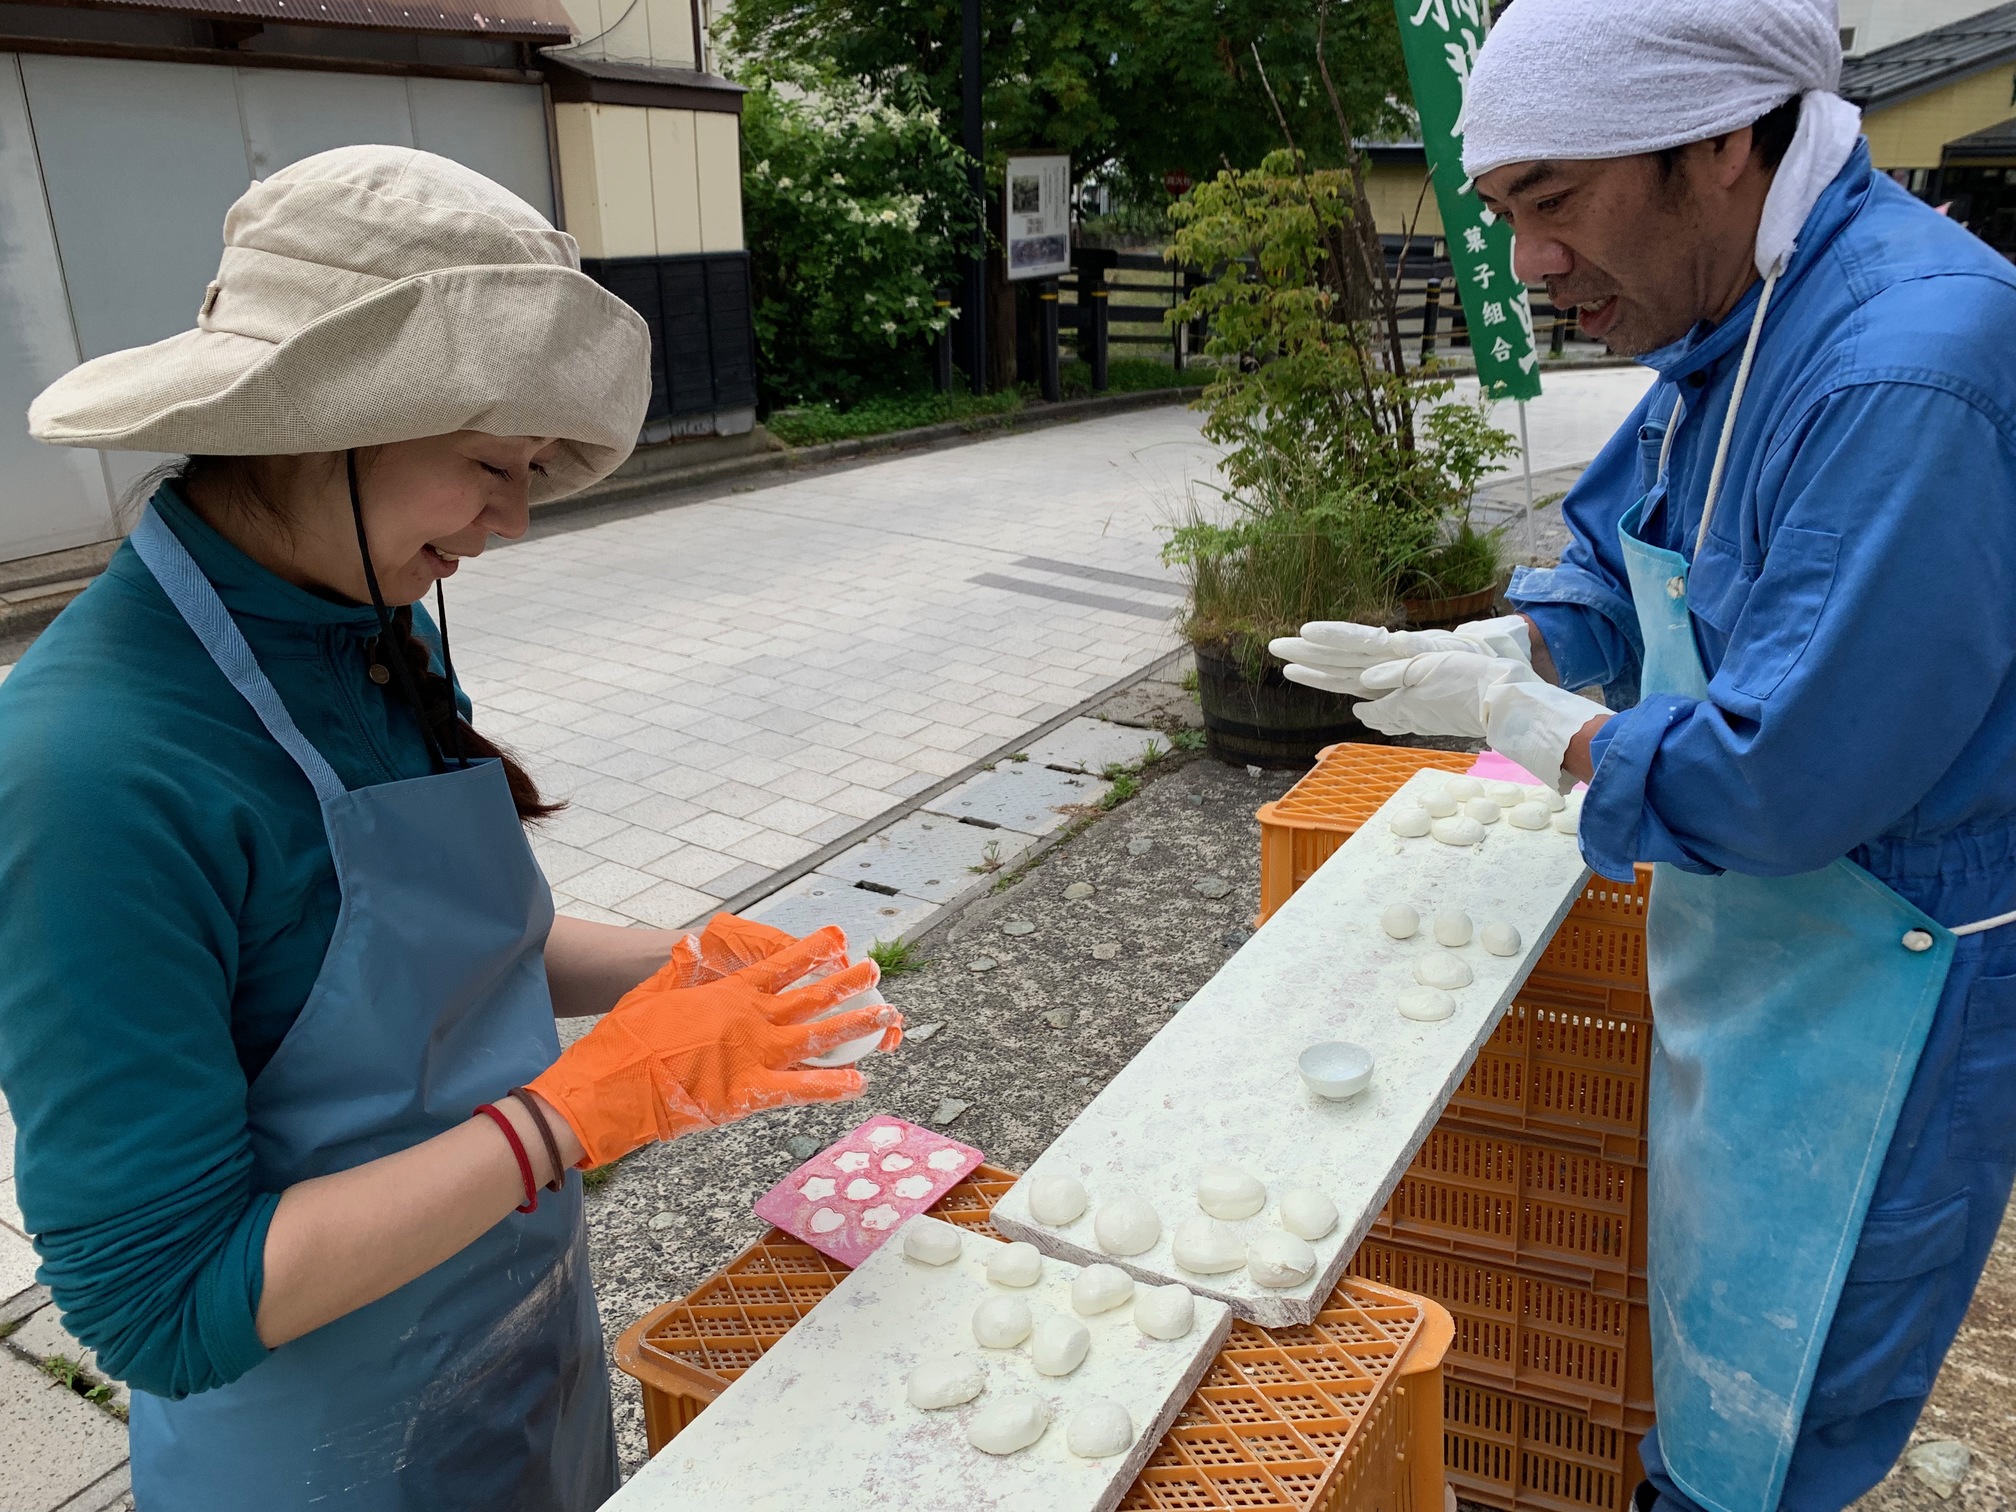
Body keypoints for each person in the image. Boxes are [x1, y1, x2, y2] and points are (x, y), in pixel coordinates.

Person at [0, 145, 899, 1510]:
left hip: (515, 1347)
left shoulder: (372, 629)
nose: (519, 518)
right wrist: (580, 1110)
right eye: (490, 463)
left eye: (533, 466)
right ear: (316, 419)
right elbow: (159, 1306)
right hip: (314, 1444)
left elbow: (452, 956)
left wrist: (688, 964)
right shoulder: (90, 768)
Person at [1271, 3, 2016, 1510]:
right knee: (1724, 1314)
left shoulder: (1906, 363)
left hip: (1890, 961)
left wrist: (1532, 731)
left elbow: (1782, 776)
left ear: (1725, 143)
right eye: (1504, 214)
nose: (1531, 260)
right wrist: (1511, 650)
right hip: (1762, 934)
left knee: (1792, 1370)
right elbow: (1624, 557)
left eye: (1555, 200)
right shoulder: (1730, 316)